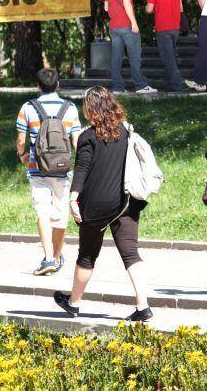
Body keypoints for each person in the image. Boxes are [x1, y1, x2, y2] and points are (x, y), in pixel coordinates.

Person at [53, 86, 153, 321]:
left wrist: (73, 197)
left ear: (90, 110)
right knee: (131, 254)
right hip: (125, 202)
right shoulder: (126, 132)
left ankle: (74, 303)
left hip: (95, 205)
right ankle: (143, 306)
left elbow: (82, 168)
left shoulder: (87, 137)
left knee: (87, 255)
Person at [16, 68, 81, 275]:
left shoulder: (28, 107)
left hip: (38, 168)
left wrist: (22, 155)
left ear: (38, 86)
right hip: (62, 170)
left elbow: (20, 140)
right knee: (61, 214)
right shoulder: (70, 108)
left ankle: (48, 258)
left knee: (42, 212)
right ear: (58, 85)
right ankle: (56, 256)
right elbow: (76, 140)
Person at [106, 0, 157, 94]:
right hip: (127, 26)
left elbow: (106, 7)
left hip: (114, 27)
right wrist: (133, 22)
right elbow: (127, 3)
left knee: (116, 57)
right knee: (135, 56)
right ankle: (140, 86)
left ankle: (117, 87)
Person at [146, 0, 183, 93]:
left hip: (162, 28)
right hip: (175, 28)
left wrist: (147, 7)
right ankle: (169, 86)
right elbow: (181, 8)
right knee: (170, 55)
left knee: (168, 58)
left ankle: (177, 86)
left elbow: (149, 9)